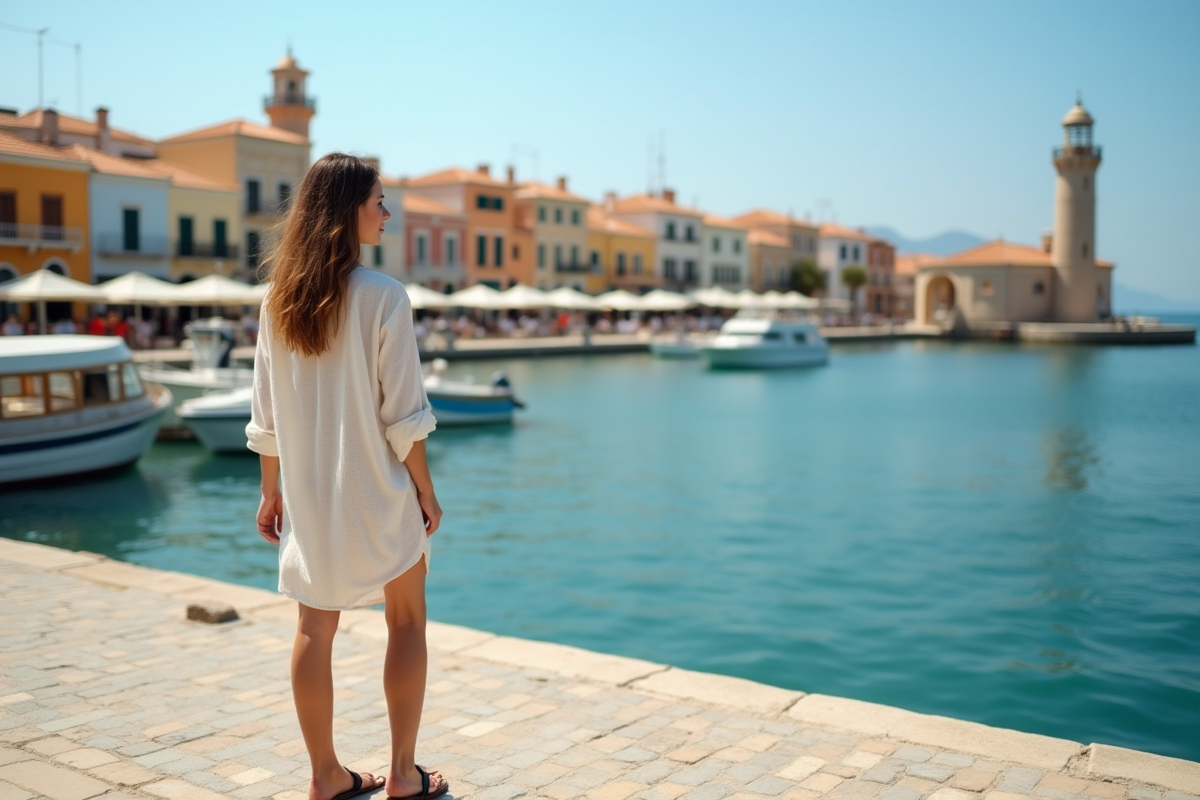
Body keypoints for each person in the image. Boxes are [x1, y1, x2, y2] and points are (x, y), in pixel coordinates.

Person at [246, 153, 448, 800]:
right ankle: (403, 774)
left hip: (309, 498)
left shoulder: (278, 302)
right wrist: (425, 487)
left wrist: (269, 491)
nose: (387, 213)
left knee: (313, 628)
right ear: (346, 211)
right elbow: (404, 417)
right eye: (378, 201)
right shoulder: (384, 296)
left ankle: (326, 775)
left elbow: (265, 415)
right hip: (378, 491)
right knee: (408, 622)